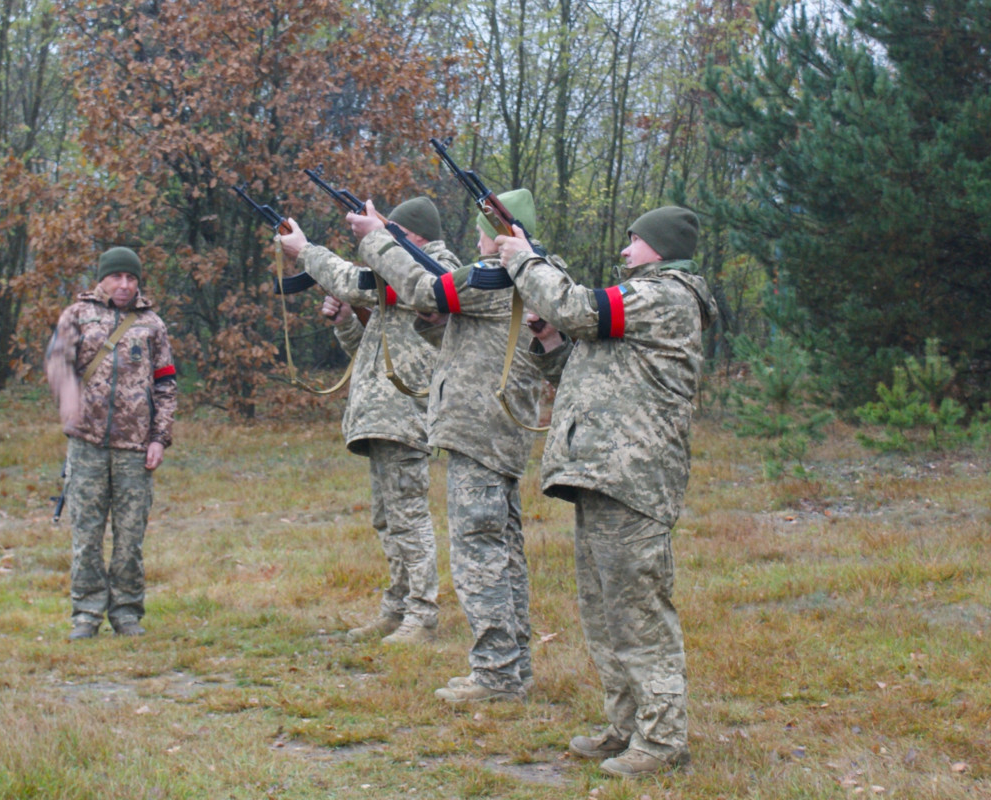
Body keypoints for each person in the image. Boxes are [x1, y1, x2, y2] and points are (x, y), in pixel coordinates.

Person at [494, 206, 717, 776]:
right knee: (604, 613)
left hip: (633, 478)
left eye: (634, 241)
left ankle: (663, 741)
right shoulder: (638, 303)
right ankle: (626, 726)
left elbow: (578, 308)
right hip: (600, 473)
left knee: (639, 612)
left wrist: (525, 261)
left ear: (660, 248)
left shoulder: (666, 296)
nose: (624, 252)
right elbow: (582, 368)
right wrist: (547, 340)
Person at [347, 190, 546, 703]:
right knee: (503, 552)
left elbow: (424, 289)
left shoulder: (498, 272)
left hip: (480, 429)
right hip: (491, 426)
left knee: (479, 553)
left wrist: (375, 241)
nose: (477, 237)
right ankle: (511, 668)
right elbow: (462, 337)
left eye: (485, 227)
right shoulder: (529, 274)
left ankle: (496, 675)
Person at [275, 197, 460, 644]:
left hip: (405, 413)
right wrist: (344, 323)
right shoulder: (396, 272)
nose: (382, 237)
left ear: (413, 235)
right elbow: (370, 353)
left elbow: (357, 283)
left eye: (390, 229)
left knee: (409, 516)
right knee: (387, 518)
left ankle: (422, 615)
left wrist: (305, 252)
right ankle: (396, 608)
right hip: (381, 413)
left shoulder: (433, 267)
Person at [45, 246, 178, 641]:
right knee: (86, 535)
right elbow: (57, 364)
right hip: (86, 445)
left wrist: (160, 438)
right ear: (101, 278)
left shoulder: (152, 325)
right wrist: (68, 399)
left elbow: (166, 384)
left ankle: (126, 612)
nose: (124, 285)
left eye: (131, 278)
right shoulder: (76, 315)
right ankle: (85, 614)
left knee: (129, 539)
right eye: (116, 277)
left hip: (135, 450)